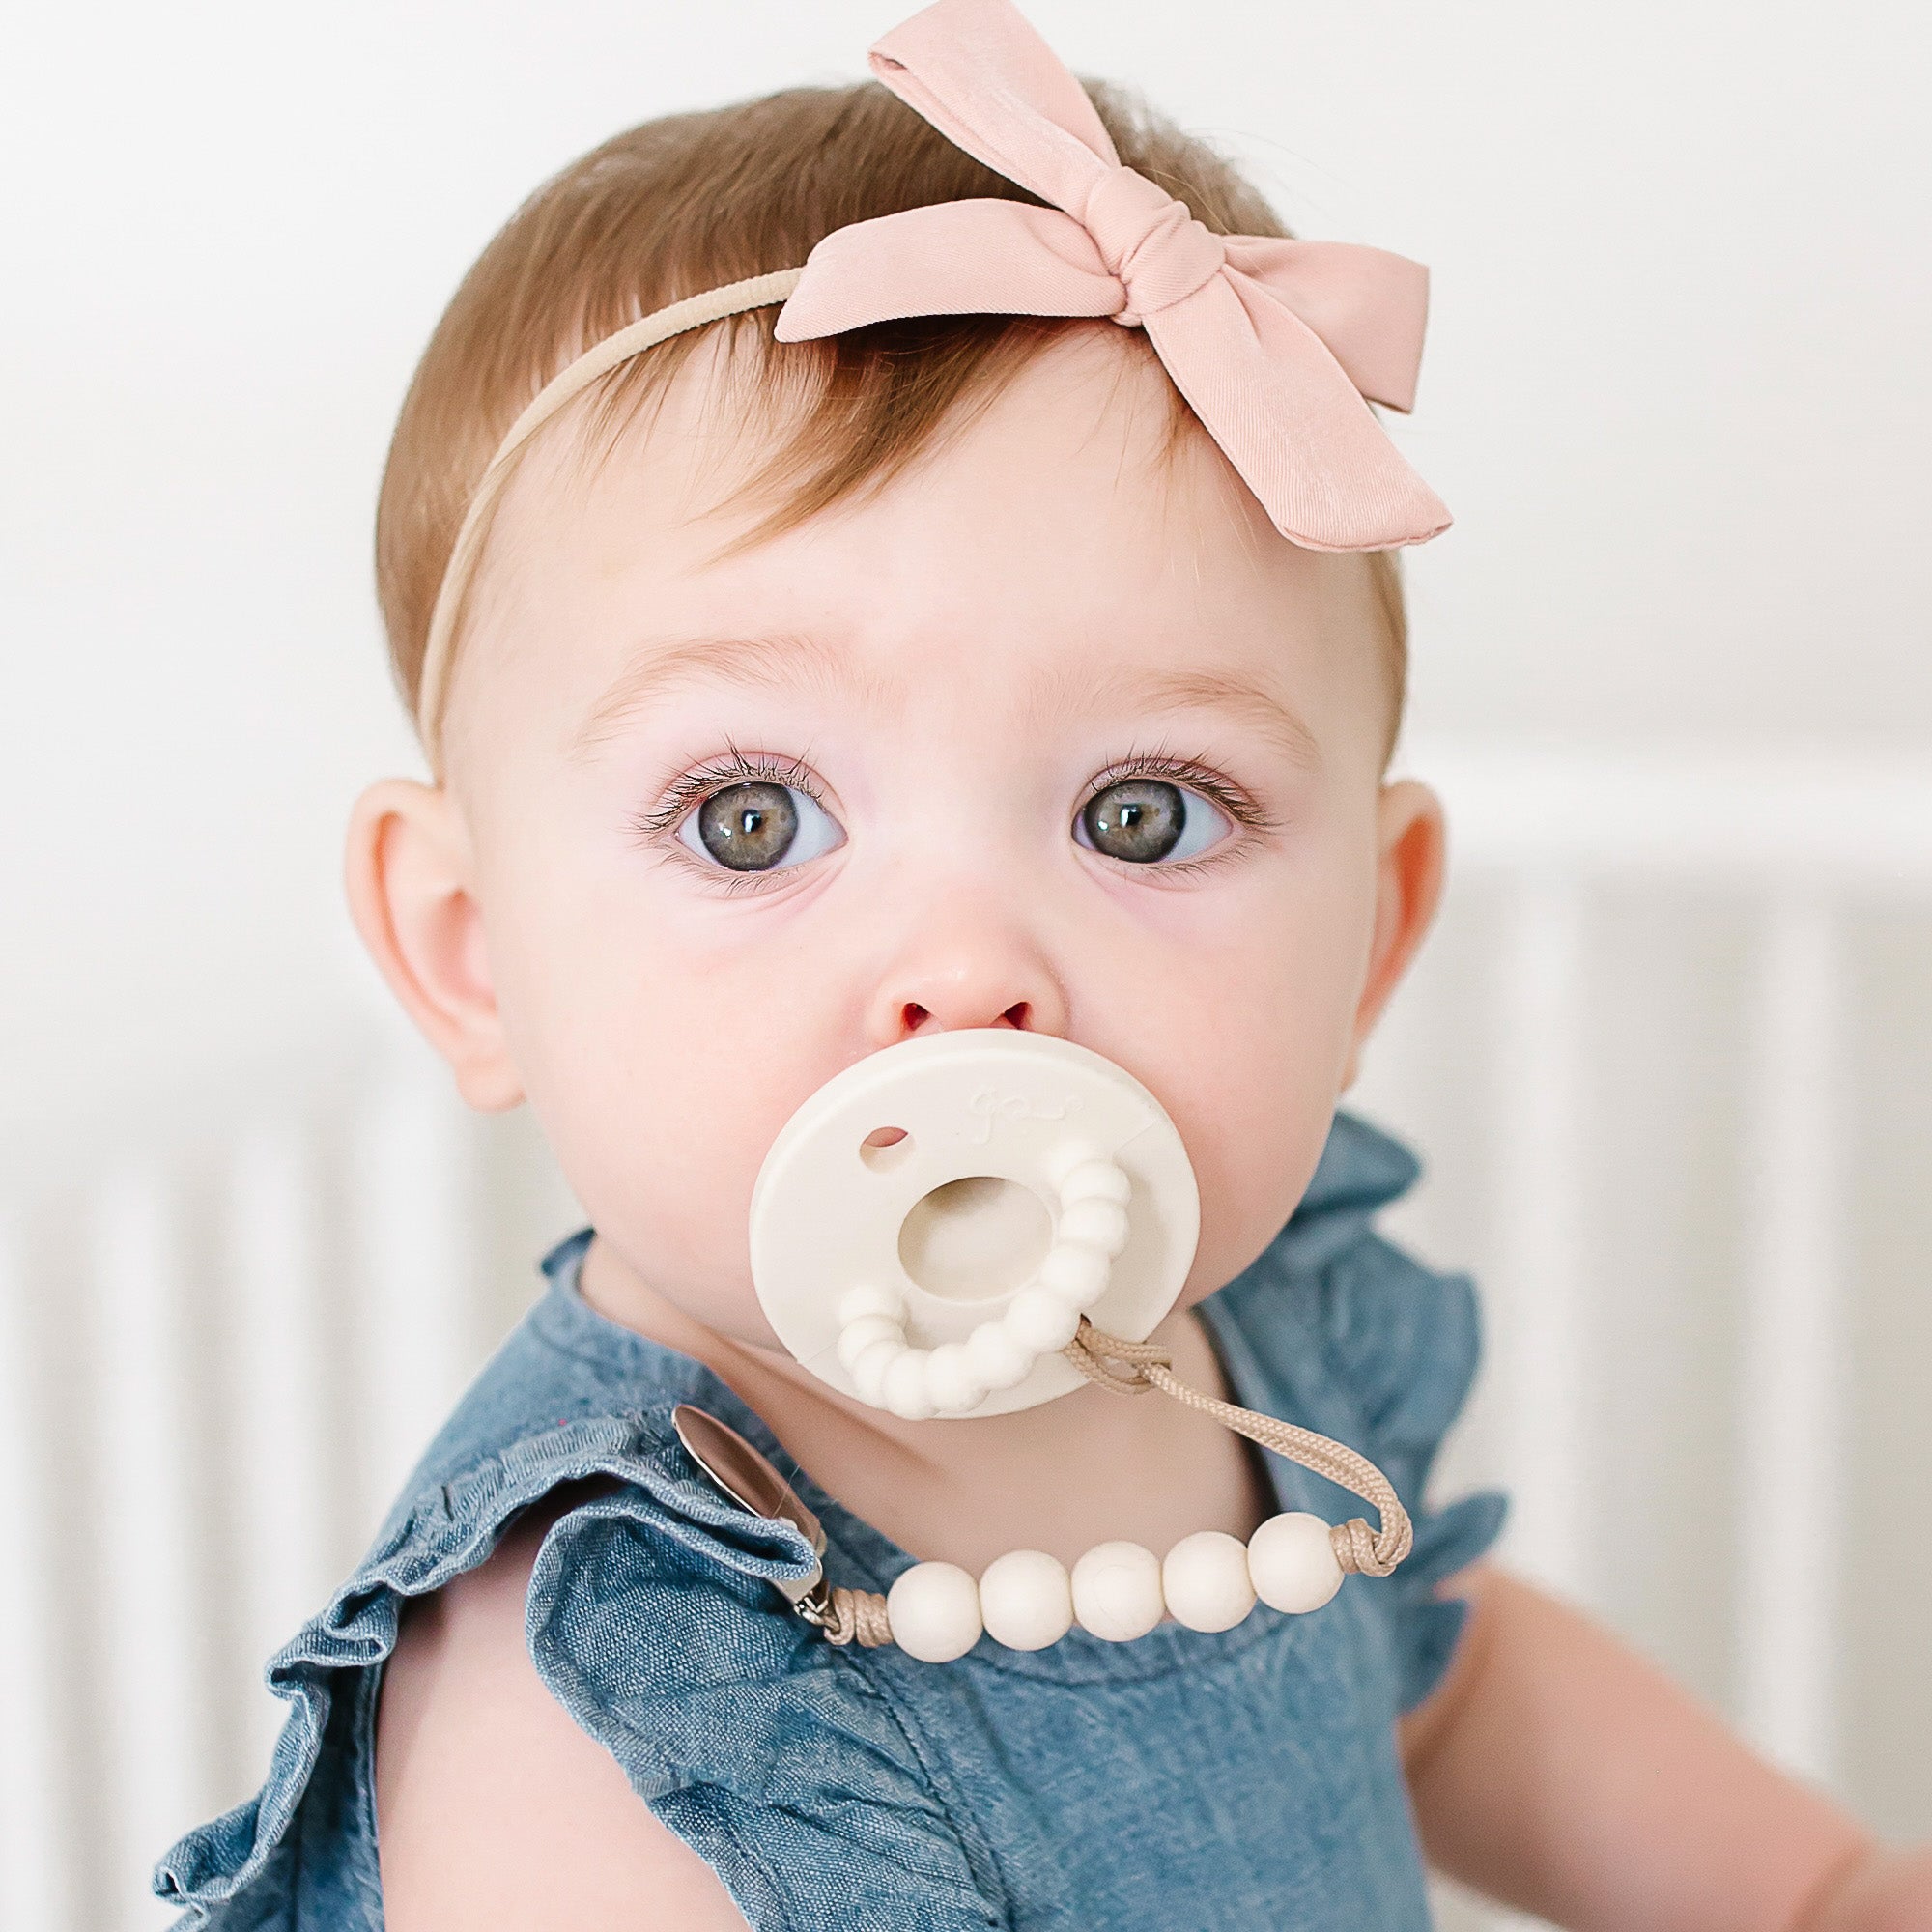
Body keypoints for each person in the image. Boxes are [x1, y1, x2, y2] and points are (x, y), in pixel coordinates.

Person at [156, 1, 1932, 1925]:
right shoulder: (595, 1685)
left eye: (1147, 812)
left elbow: (1436, 1681)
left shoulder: (1257, 1370)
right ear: (471, 953)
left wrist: (1816, 1885)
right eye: (754, 817)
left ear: (1372, 943)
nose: (969, 969)